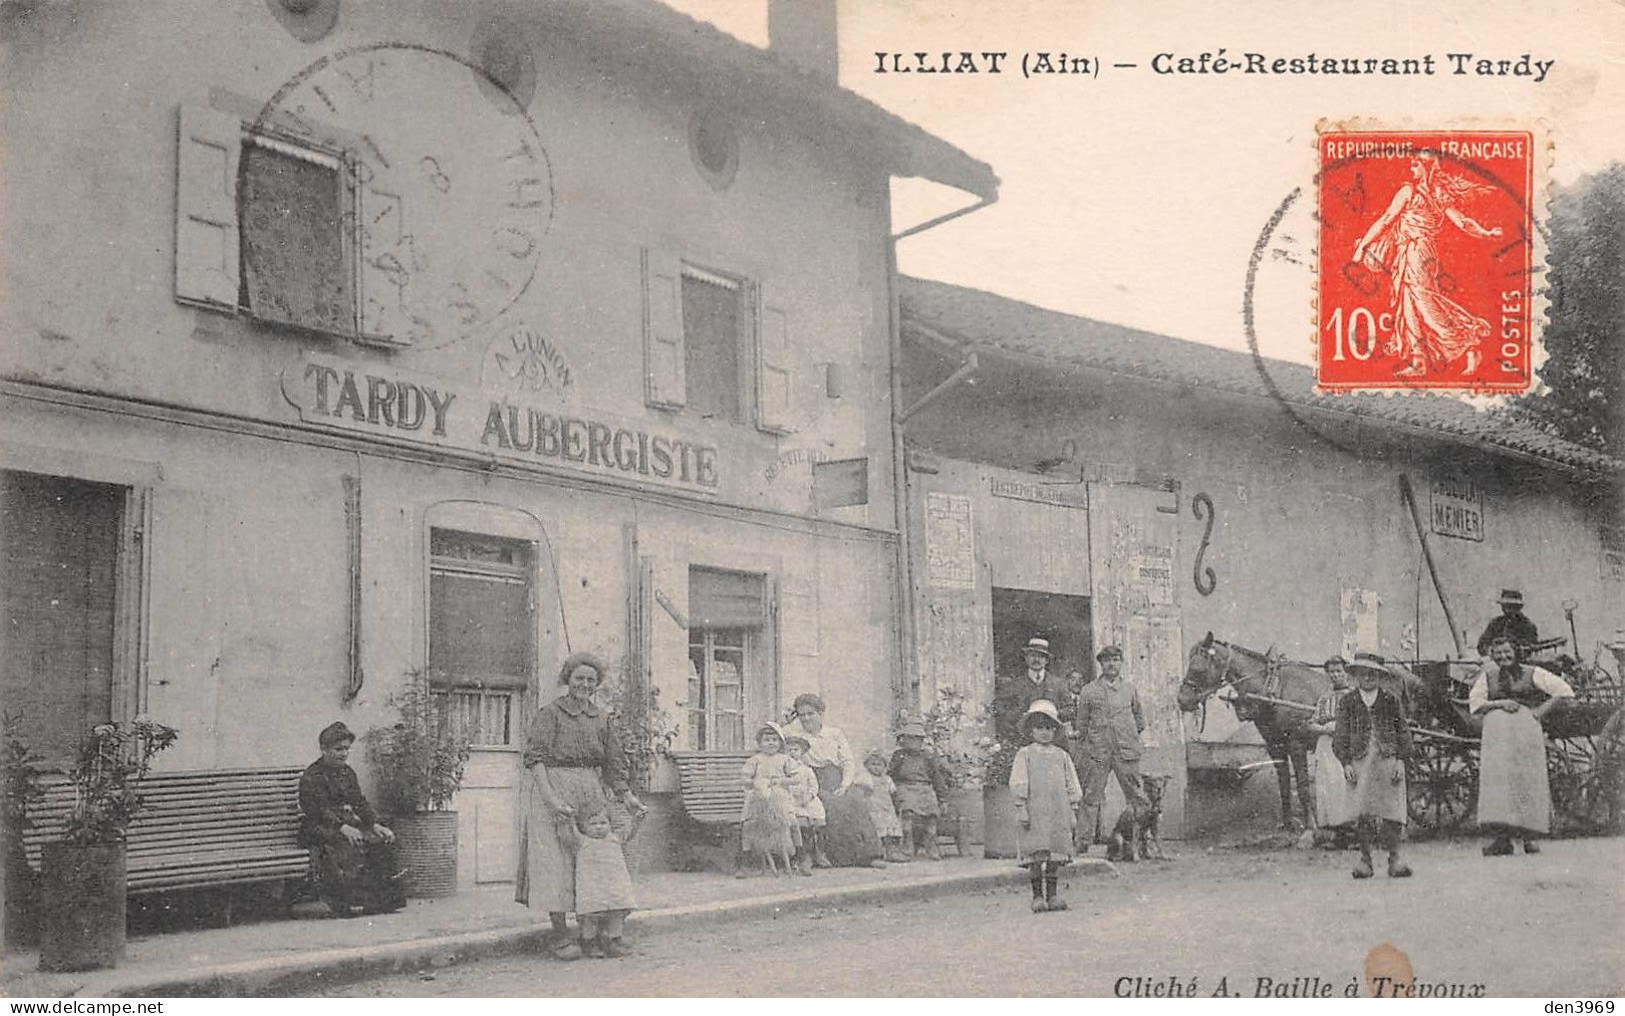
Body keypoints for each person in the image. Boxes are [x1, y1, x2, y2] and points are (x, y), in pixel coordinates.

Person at [516, 652, 644, 961]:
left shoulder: (601, 718)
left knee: (596, 861)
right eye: (579, 678)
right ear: (567, 680)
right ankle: (560, 935)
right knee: (555, 863)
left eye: (591, 679)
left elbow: (613, 762)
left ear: (596, 684)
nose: (584, 684)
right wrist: (551, 799)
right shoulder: (550, 713)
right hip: (553, 786)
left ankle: (597, 934)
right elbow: (535, 760)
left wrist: (626, 796)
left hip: (591, 787)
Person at [1352, 149, 1504, 378]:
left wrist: (1361, 247)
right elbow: (1462, 222)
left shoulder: (1411, 191)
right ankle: (1419, 360)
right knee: (1409, 303)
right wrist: (1486, 233)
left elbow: (1386, 220)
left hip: (1417, 252)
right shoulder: (1436, 193)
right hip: (1415, 252)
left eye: (1415, 165)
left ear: (1426, 167)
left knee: (1423, 303)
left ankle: (1467, 340)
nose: (1411, 169)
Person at [1470, 636, 1574, 856]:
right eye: (1498, 654)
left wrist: (1541, 711)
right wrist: (1499, 703)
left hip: (1525, 732)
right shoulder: (1487, 675)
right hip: (1497, 737)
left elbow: (1563, 690)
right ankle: (1502, 839)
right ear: (1492, 656)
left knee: (1527, 780)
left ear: (1516, 652)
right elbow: (1476, 704)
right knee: (1499, 785)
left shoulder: (1532, 672)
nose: (1503, 657)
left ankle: (1530, 838)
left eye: (1507, 652)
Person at [298, 721, 407, 917]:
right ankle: (345, 901)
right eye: (338, 749)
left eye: (347, 749)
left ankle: (380, 900)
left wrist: (374, 824)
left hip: (342, 822)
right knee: (343, 843)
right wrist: (342, 827)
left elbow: (359, 802)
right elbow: (318, 810)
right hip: (317, 826)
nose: (344, 753)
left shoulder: (346, 773)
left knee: (382, 839)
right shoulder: (312, 776)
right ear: (324, 749)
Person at [1333, 654, 1413, 879]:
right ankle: (1365, 860)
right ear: (1356, 675)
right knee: (1362, 811)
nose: (1368, 677)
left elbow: (1403, 733)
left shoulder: (1390, 700)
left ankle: (1395, 859)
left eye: (1373, 673)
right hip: (1360, 760)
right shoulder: (1348, 702)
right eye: (1363, 672)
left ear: (1379, 675)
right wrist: (1346, 762)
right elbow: (1340, 735)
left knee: (1392, 810)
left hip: (1387, 759)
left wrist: (1400, 760)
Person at [783, 693, 884, 868]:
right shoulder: (795, 735)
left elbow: (847, 761)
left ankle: (870, 855)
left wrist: (845, 785)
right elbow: (774, 736)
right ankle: (840, 858)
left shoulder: (834, 733)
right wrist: (785, 721)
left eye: (810, 713)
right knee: (831, 804)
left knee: (856, 800)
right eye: (801, 715)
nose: (806, 718)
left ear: (821, 713)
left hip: (837, 777)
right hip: (814, 780)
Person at [1073, 645, 1148, 852]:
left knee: (1137, 797)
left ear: (1121, 663)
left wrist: (1127, 736)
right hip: (1099, 753)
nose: (1111, 664)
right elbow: (1081, 725)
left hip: (1126, 751)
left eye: (1115, 660)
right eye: (1106, 660)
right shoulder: (1089, 691)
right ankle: (1082, 842)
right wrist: (1094, 745)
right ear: (1101, 664)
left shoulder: (1130, 689)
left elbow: (1140, 720)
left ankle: (1140, 843)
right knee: (1090, 797)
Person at [1010, 701, 1083, 913]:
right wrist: (1021, 806)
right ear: (1031, 730)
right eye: (1039, 728)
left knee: (1054, 855)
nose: (1044, 733)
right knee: (1036, 854)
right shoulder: (1025, 754)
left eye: (1049, 728)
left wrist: (1073, 807)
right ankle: (1037, 896)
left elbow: (1072, 783)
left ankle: (1053, 895)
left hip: (1058, 812)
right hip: (1035, 812)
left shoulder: (1062, 756)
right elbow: (1019, 781)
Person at [559, 805, 636, 958]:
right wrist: (567, 821)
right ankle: (589, 942)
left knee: (617, 912)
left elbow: (630, 830)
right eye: (593, 824)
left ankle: (614, 940)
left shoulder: (615, 838)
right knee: (590, 916)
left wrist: (637, 818)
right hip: (592, 888)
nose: (599, 828)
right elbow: (567, 836)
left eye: (603, 823)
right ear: (584, 827)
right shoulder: (582, 841)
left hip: (614, 885)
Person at [737, 723, 798, 877]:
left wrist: (782, 781)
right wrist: (755, 783)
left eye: (774, 740)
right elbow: (745, 778)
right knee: (748, 826)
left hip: (779, 799)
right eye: (766, 740)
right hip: (758, 798)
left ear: (780, 743)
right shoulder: (755, 760)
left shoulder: (785, 759)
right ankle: (745, 863)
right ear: (760, 743)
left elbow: (796, 778)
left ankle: (797, 858)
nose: (771, 743)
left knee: (790, 822)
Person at [994, 637, 1074, 749]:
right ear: (1026, 658)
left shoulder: (1058, 684)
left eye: (1041, 656)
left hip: (1054, 742)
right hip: (1023, 742)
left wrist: (1055, 714)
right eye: (1032, 655)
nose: (1036, 659)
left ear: (1046, 660)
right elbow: (1000, 709)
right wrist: (1018, 715)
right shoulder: (1014, 685)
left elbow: (1070, 709)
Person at [888, 719, 951, 860]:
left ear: (921, 741)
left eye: (917, 739)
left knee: (932, 812)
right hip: (905, 786)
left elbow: (937, 778)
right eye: (909, 738)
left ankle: (930, 844)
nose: (913, 742)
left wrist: (943, 799)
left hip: (924, 787)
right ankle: (907, 843)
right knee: (907, 809)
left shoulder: (928, 757)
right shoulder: (899, 756)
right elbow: (890, 774)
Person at [1308, 656, 1354, 848]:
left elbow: (1361, 723)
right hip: (1326, 746)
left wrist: (1341, 729)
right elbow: (1311, 723)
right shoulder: (1324, 698)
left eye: (1339, 672)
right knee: (1327, 787)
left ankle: (1352, 834)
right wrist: (1323, 729)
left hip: (1346, 746)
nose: (1335, 676)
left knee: (1342, 787)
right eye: (1332, 672)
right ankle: (1336, 834)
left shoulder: (1354, 697)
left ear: (1346, 673)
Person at [782, 734, 827, 875]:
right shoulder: (783, 769)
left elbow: (814, 786)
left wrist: (809, 796)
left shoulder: (806, 770)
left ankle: (819, 853)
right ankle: (801, 857)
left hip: (808, 801)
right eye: (789, 750)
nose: (792, 753)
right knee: (801, 826)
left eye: (796, 750)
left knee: (817, 824)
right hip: (792, 802)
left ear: (801, 752)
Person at [854, 749, 906, 862]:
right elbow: (860, 791)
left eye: (879, 765)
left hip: (887, 808)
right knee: (878, 829)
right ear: (866, 765)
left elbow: (893, 792)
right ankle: (878, 852)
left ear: (884, 766)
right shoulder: (865, 777)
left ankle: (892, 851)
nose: (876, 767)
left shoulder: (887, 779)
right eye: (873, 764)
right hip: (874, 808)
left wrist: (898, 801)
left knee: (891, 828)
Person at [1476, 589, 1541, 658]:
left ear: (1519, 608)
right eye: (1504, 606)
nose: (1507, 610)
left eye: (1511, 607)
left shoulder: (1527, 625)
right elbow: (1482, 644)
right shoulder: (1495, 623)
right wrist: (1490, 651)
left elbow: (1530, 648)